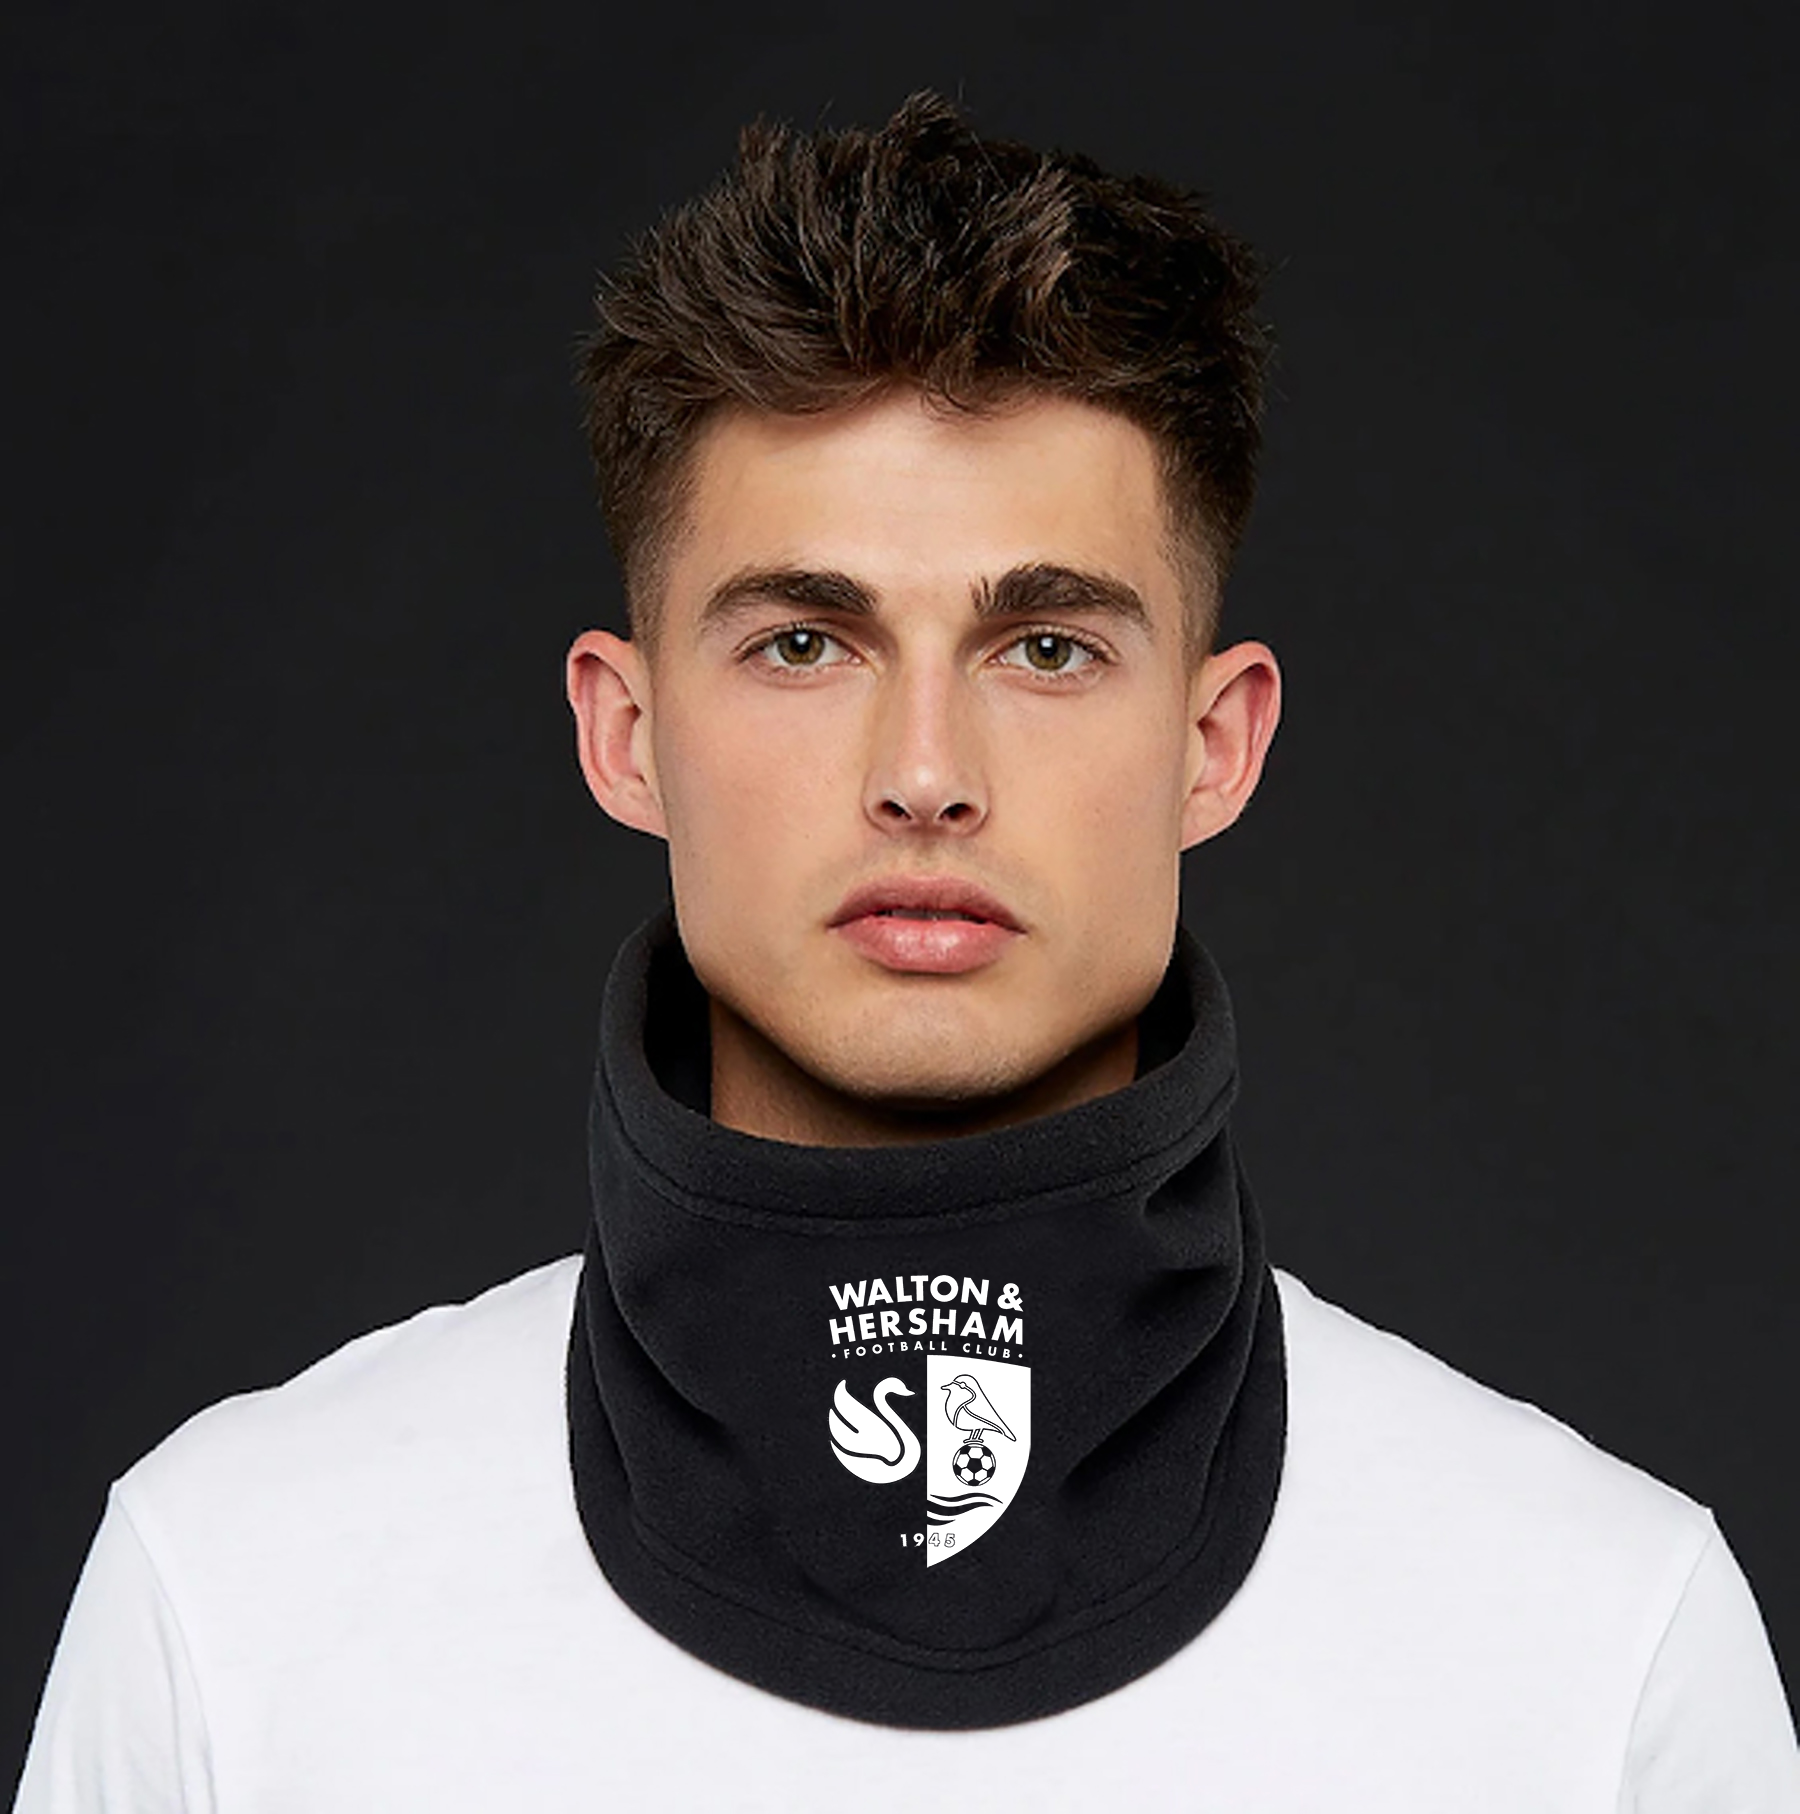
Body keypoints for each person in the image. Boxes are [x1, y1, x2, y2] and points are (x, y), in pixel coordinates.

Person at [15, 92, 1799, 1812]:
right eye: (804, 643)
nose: (926, 773)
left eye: (1047, 647)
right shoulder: (233, 1602)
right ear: (627, 734)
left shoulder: (1598, 1648)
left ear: (1214, 744)